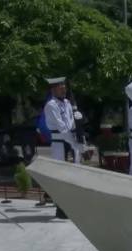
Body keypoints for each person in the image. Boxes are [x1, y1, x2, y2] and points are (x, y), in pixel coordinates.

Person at [44, 76, 80, 219]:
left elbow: (70, 124)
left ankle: (70, 206)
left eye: (64, 86)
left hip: (70, 142)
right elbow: (62, 127)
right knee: (61, 176)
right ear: (53, 89)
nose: (64, 88)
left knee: (72, 175)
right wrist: (74, 143)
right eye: (61, 86)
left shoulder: (67, 103)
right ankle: (61, 208)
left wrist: (78, 122)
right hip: (60, 143)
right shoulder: (51, 105)